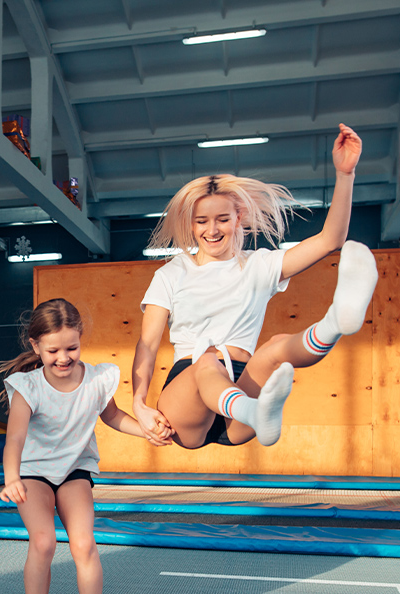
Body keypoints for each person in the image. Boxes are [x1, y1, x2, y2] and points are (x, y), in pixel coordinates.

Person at [131, 123, 377, 450]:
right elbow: (147, 345)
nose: (212, 230)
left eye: (222, 219)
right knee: (207, 363)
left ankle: (333, 323)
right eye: (202, 221)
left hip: (240, 386)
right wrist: (139, 404)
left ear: (239, 217)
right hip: (187, 397)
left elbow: (330, 240)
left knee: (276, 347)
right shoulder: (172, 273)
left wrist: (345, 174)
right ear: (190, 224)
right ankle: (256, 412)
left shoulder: (258, 265)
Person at [0, 298, 147, 594]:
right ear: (36, 346)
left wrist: (147, 432)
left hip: (75, 469)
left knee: (85, 545)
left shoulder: (96, 380)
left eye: (71, 348)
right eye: (53, 351)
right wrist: (11, 478)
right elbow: (15, 439)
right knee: (43, 542)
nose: (64, 358)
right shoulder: (28, 387)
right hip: (33, 471)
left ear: (80, 339)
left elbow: (113, 416)